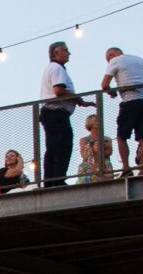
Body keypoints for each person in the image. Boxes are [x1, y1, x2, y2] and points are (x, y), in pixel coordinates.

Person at [100, 46, 143, 175]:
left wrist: (111, 92)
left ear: (111, 55)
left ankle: (126, 168)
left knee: (121, 136)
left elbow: (104, 84)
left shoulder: (115, 61)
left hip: (129, 102)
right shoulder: (141, 61)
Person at [38, 42, 84, 188]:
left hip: (52, 113)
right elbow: (58, 90)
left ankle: (51, 180)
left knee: (54, 147)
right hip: (56, 112)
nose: (68, 53)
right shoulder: (57, 69)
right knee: (62, 146)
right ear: (55, 53)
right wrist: (77, 99)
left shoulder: (53, 68)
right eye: (65, 50)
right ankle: (57, 179)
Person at [77, 113, 115, 183]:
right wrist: (95, 147)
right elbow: (84, 155)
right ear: (90, 123)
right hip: (88, 165)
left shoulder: (107, 139)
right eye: (96, 121)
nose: (99, 122)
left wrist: (96, 149)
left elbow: (109, 152)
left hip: (104, 165)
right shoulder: (84, 140)